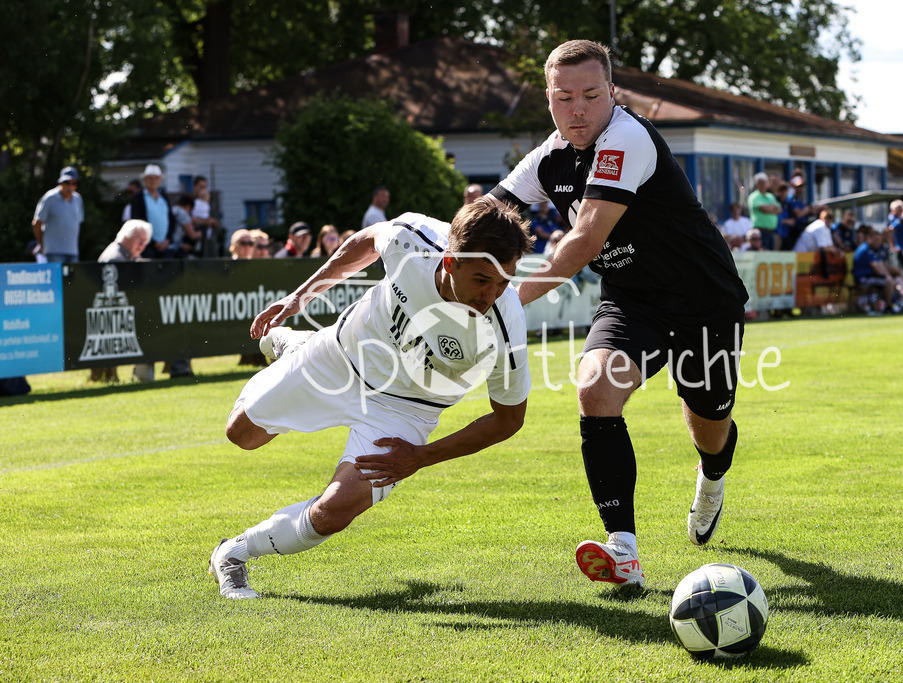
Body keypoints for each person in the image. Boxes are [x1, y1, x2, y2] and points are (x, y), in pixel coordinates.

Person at [490, 40, 749, 588]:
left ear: (612, 93)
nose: (577, 109)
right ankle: (623, 552)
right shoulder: (549, 157)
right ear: (549, 98)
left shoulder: (626, 138)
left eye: (590, 95)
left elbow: (584, 239)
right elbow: (490, 213)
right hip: (633, 300)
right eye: (564, 98)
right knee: (594, 391)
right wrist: (440, 252)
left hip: (704, 299)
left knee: (709, 421)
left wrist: (507, 298)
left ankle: (712, 477)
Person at [208, 199, 534, 599]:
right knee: (241, 434)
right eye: (483, 280)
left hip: (406, 409)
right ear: (450, 262)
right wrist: (301, 297)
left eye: (505, 281)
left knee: (333, 512)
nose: (493, 294)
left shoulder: (504, 322)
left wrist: (419, 457)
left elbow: (508, 420)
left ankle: (233, 552)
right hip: (340, 357)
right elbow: (365, 241)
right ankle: (298, 346)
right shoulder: (413, 239)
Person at [92, 220, 153, 383]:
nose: (143, 244)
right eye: (139, 240)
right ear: (128, 237)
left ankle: (143, 375)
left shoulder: (130, 255)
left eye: (145, 241)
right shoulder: (115, 257)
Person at [32, 166, 84, 264]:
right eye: (67, 182)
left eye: (74, 183)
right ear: (61, 182)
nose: (70, 186)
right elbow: (37, 223)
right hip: (53, 252)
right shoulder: (49, 198)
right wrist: (41, 244)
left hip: (73, 252)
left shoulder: (78, 199)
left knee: (73, 280)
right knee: (56, 279)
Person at [130, 164, 175, 259]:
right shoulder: (138, 198)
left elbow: (171, 219)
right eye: (150, 178)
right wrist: (153, 242)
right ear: (144, 180)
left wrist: (168, 240)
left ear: (160, 180)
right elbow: (137, 223)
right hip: (146, 247)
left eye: (156, 178)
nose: (153, 181)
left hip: (165, 246)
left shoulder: (164, 197)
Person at [852, 226, 898, 314]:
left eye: (879, 241)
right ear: (870, 239)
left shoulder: (873, 249)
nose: (879, 243)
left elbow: (881, 265)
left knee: (891, 280)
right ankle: (888, 306)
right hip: (863, 277)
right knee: (888, 282)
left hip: (870, 276)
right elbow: (877, 269)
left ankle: (887, 304)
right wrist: (888, 277)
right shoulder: (866, 249)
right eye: (876, 240)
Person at [747, 172, 781, 250]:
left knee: (771, 256)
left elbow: (779, 210)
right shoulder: (754, 196)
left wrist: (769, 208)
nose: (762, 185)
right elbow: (763, 209)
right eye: (760, 183)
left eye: (764, 183)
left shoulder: (771, 196)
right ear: (757, 185)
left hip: (772, 231)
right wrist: (773, 208)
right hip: (760, 232)